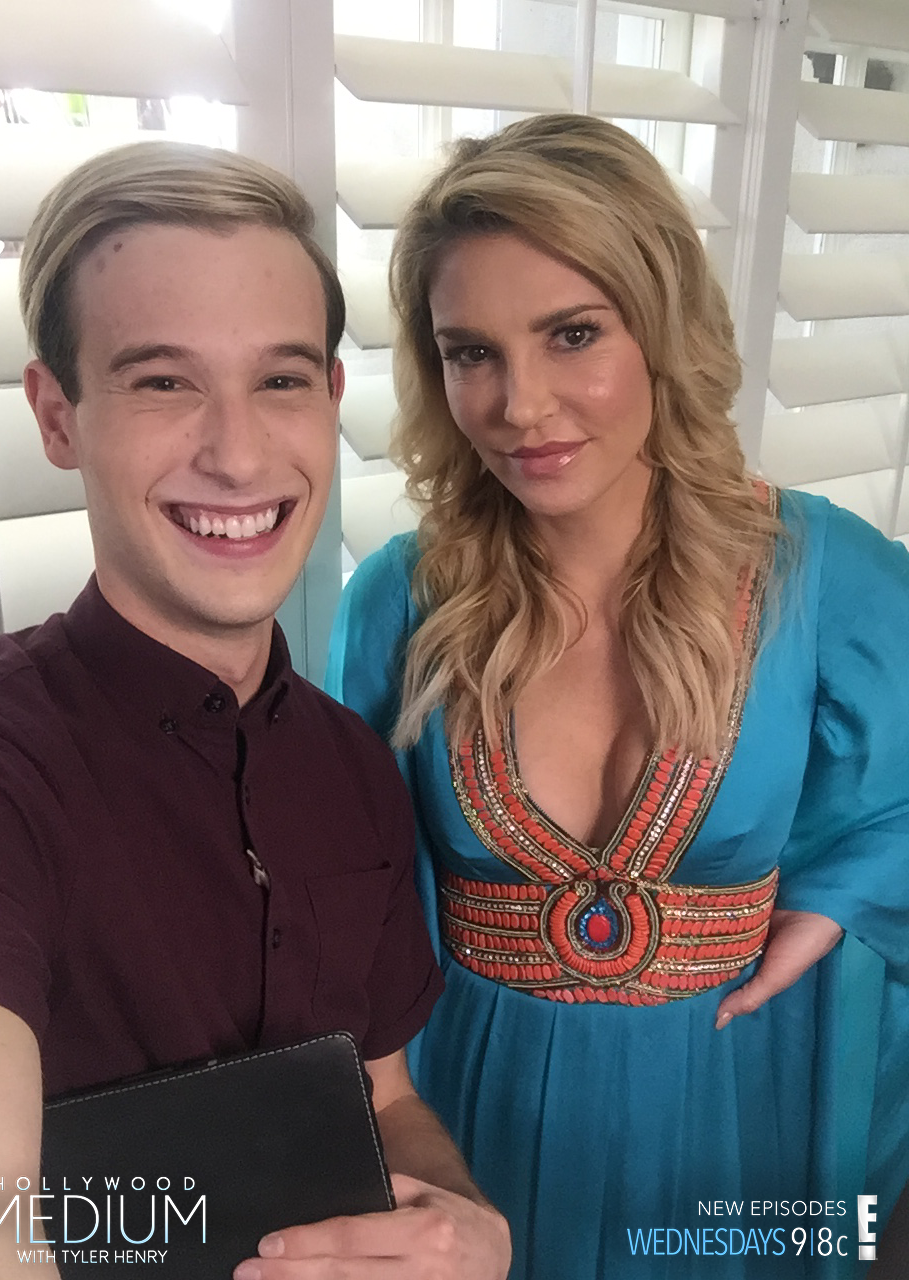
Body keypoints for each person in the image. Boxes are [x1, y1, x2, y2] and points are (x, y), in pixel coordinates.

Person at [326, 113, 909, 1279]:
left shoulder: (826, 574)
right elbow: (353, 878)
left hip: (734, 1110)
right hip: (470, 1111)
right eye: (471, 352)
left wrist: (837, 900)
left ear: (663, 327)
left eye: (573, 333)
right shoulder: (400, 598)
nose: (520, 404)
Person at [0, 141, 511, 1280]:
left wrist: (462, 1222)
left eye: (281, 380)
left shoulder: (355, 764)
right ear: (56, 415)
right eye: (163, 381)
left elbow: (383, 1095)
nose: (240, 454)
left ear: (332, 399)